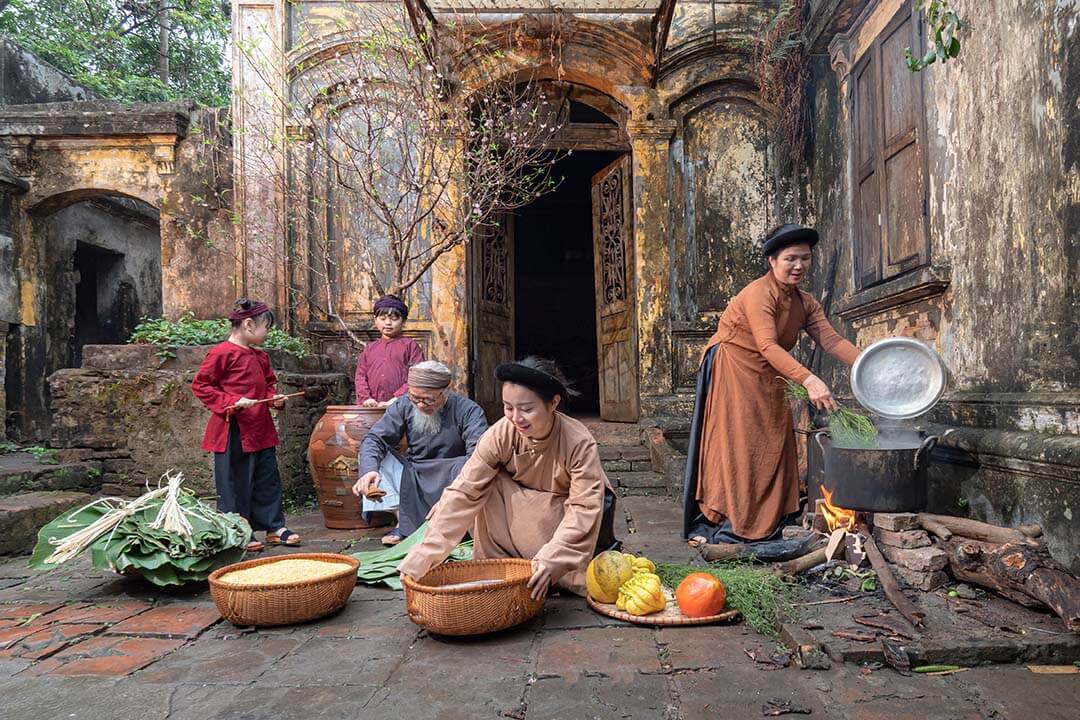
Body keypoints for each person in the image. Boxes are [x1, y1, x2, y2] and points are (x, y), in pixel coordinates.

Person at [682, 224, 861, 546]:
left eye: (805, 259)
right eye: (790, 258)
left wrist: (871, 364)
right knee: (741, 443)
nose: (799, 266)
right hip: (734, 367)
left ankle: (773, 513)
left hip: (770, 371)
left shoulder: (804, 302)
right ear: (773, 261)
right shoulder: (758, 293)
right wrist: (809, 379)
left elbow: (831, 340)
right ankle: (734, 518)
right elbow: (766, 344)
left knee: (774, 439)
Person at [398, 357, 620, 600]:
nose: (516, 418)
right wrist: (424, 555)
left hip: (561, 524)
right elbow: (464, 492)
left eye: (526, 409)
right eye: (508, 407)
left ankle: (547, 570)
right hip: (517, 517)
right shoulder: (501, 433)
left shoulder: (578, 441)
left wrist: (553, 558)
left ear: (553, 403)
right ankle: (502, 567)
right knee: (482, 485)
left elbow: (583, 507)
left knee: (555, 560)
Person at [192, 299, 300, 552]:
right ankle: (240, 530)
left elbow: (268, 384)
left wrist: (275, 398)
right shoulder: (221, 353)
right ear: (249, 324)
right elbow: (202, 386)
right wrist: (231, 401)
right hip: (233, 429)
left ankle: (274, 526)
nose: (268, 333)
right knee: (235, 481)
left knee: (268, 478)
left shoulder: (261, 356)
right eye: (267, 327)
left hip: (261, 427)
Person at [352, 361, 488, 545]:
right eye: (415, 398)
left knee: (475, 465)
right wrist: (369, 471)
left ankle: (457, 525)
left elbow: (479, 453)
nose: (420, 405)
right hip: (414, 474)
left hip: (453, 475)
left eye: (428, 399)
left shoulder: (469, 410)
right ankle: (403, 521)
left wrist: (459, 486)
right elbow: (375, 439)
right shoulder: (404, 405)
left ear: (446, 391)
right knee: (372, 457)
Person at [354, 295, 424, 408]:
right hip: (372, 406)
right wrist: (366, 398)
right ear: (375, 319)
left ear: (403, 321)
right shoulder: (370, 349)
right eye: (382, 318)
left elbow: (418, 377)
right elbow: (360, 376)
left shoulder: (411, 346)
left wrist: (397, 399)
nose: (388, 323)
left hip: (402, 406)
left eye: (394, 319)